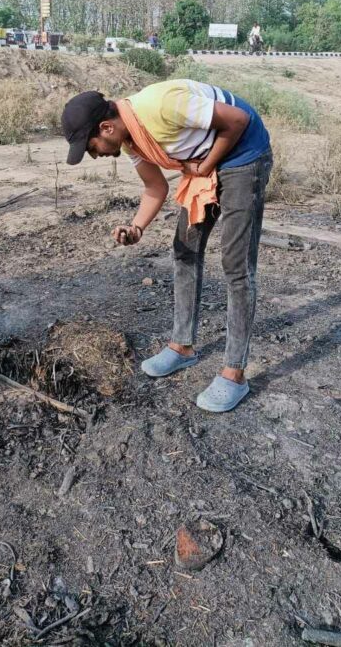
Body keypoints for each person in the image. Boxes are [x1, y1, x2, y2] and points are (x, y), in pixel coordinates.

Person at [61, 78, 273, 413]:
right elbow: (154, 188)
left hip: (243, 154)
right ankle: (182, 347)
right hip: (203, 160)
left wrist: (204, 166)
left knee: (236, 265)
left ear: (106, 127)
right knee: (184, 251)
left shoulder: (159, 107)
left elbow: (237, 121)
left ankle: (234, 374)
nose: (95, 155)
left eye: (91, 147)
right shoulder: (132, 140)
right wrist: (135, 228)